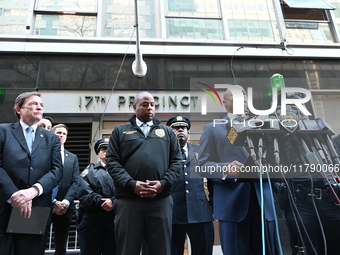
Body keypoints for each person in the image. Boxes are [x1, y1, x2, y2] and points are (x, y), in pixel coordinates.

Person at [198, 85, 277, 255]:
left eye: (244, 95)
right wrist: (224, 168)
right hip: (232, 204)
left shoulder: (263, 125)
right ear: (225, 103)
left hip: (263, 202)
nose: (243, 97)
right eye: (236, 96)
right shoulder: (212, 128)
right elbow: (203, 165)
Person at [106, 91, 182, 255]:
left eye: (152, 105)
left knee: (161, 250)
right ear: (135, 107)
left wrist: (163, 184)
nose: (150, 108)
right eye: (145, 104)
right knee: (127, 249)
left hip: (160, 200)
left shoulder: (167, 132)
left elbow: (177, 161)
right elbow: (112, 162)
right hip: (128, 201)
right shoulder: (120, 132)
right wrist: (131, 184)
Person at [0, 91, 63, 255]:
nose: (39, 107)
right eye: (34, 103)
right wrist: (16, 196)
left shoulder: (51, 139)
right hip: (5, 205)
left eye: (41, 105)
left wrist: (32, 192)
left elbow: (57, 171)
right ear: (18, 109)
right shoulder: (3, 131)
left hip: (36, 208)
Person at [166, 116, 214, 255]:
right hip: (173, 212)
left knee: (203, 250)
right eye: (176, 127)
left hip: (200, 212)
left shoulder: (200, 151)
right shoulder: (163, 153)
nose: (180, 130)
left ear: (188, 132)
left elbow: (212, 179)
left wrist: (213, 203)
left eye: (184, 127)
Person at [77, 138, 116, 255]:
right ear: (98, 153)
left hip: (114, 221)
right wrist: (102, 202)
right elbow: (83, 191)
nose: (107, 151)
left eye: (110, 149)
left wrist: (113, 201)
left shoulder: (122, 171)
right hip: (92, 221)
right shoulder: (89, 171)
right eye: (103, 149)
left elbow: (127, 189)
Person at [50, 124, 79, 255]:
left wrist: (66, 202)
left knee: (61, 244)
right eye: (58, 133)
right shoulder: (44, 154)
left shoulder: (72, 157)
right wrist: (53, 201)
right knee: (40, 239)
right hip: (47, 204)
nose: (61, 135)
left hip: (66, 207)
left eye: (64, 134)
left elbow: (75, 181)